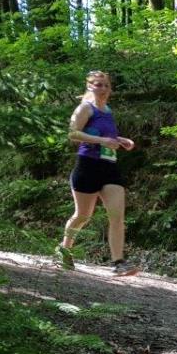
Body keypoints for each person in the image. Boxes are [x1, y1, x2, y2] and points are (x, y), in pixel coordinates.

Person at [58, 70, 138, 276]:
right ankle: (64, 250)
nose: (103, 88)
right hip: (88, 166)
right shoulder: (85, 108)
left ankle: (118, 262)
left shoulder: (108, 111)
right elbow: (73, 133)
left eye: (106, 85)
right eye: (98, 85)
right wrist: (103, 141)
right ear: (89, 87)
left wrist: (120, 140)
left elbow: (105, 136)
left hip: (109, 167)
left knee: (117, 216)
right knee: (83, 215)